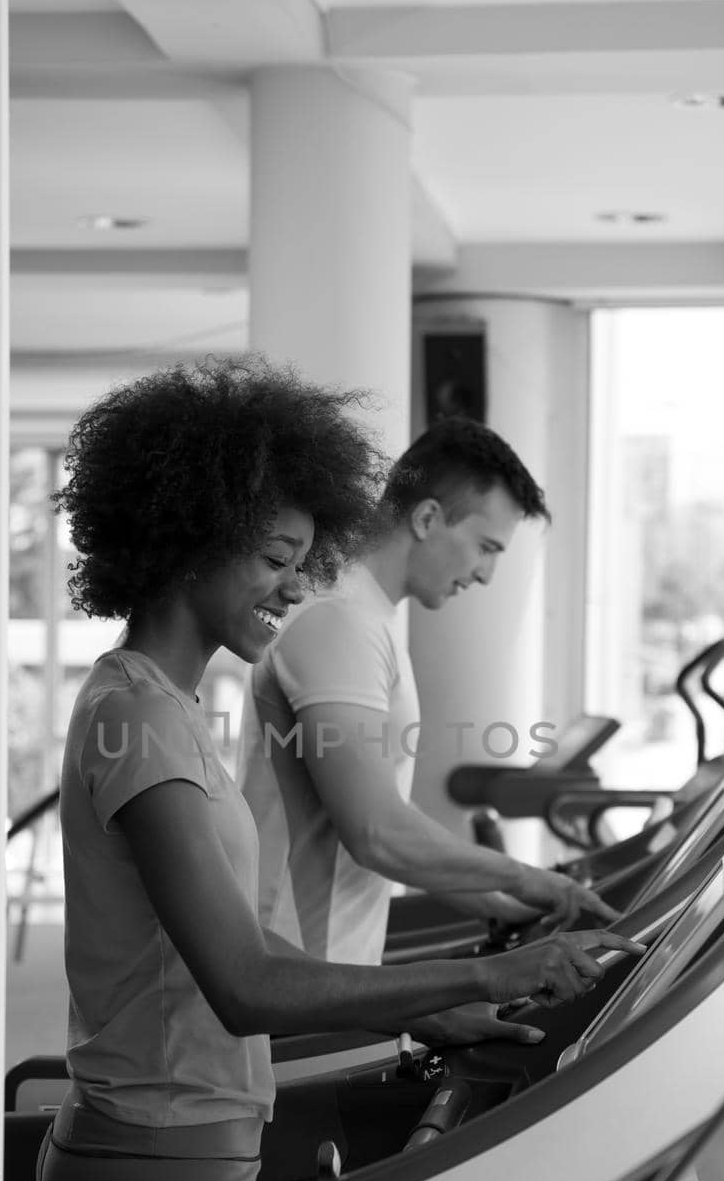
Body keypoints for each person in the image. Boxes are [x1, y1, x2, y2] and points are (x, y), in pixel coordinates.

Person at [38, 357, 643, 1181]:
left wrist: (433, 1008)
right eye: (276, 558)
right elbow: (246, 982)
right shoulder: (138, 716)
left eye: (301, 560)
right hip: (156, 1150)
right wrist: (489, 970)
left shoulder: (167, 707)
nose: (294, 585)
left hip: (193, 1134)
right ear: (190, 539)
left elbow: (230, 933)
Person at [237, 413, 617, 966]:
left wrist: (505, 904)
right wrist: (529, 879)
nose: (486, 573)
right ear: (428, 517)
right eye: (486, 546)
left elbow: (387, 837)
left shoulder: (366, 618)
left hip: (322, 972)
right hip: (290, 978)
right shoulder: (339, 622)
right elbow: (375, 831)